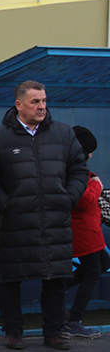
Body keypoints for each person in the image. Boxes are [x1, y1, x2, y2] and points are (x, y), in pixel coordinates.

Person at [0, 80, 88, 350]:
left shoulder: (63, 133)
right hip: (16, 221)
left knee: (55, 279)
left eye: (43, 101)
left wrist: (68, 198)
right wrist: (7, 205)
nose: (42, 107)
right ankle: (14, 331)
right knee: (10, 278)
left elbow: (79, 170)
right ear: (19, 104)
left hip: (55, 221)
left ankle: (53, 332)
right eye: (35, 102)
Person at [62, 126, 107, 339]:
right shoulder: (74, 172)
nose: (91, 155)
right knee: (93, 272)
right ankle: (74, 321)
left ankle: (60, 288)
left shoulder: (72, 169)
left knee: (103, 262)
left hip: (88, 229)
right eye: (90, 151)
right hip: (81, 230)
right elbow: (82, 201)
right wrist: (97, 186)